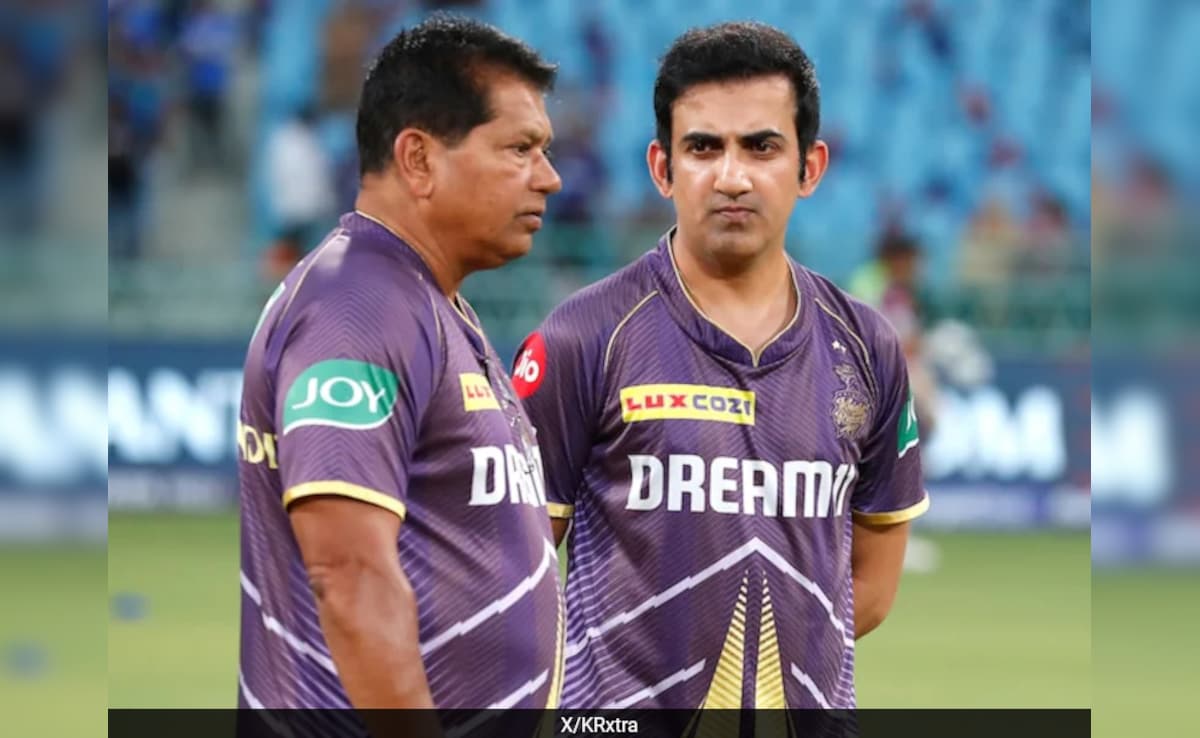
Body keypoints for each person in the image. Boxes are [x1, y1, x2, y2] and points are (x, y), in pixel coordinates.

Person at [513, 22, 927, 710]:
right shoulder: (584, 338)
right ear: (662, 168)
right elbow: (515, 584)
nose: (732, 176)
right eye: (703, 147)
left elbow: (874, 586)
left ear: (810, 167)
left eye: (762, 147)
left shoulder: (868, 347)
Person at [236, 15, 564, 712]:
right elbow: (348, 575)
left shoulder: (424, 302)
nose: (550, 178)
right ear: (418, 159)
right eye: (520, 149)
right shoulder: (357, 307)